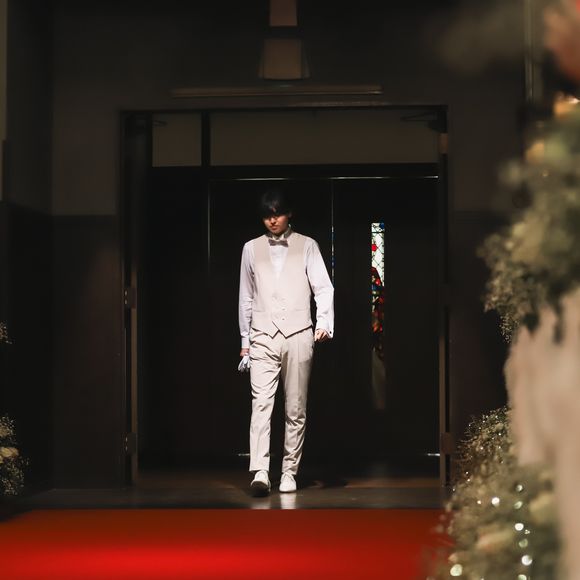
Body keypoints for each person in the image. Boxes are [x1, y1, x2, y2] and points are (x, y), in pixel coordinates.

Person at [238, 190, 334, 496]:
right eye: (267, 215)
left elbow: (323, 287)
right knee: (261, 404)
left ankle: (289, 471)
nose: (272, 220)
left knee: (295, 407)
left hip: (298, 333)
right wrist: (245, 341)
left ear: (289, 213)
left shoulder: (307, 245)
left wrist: (324, 323)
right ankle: (260, 471)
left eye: (277, 214)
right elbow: (246, 297)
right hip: (262, 335)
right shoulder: (251, 248)